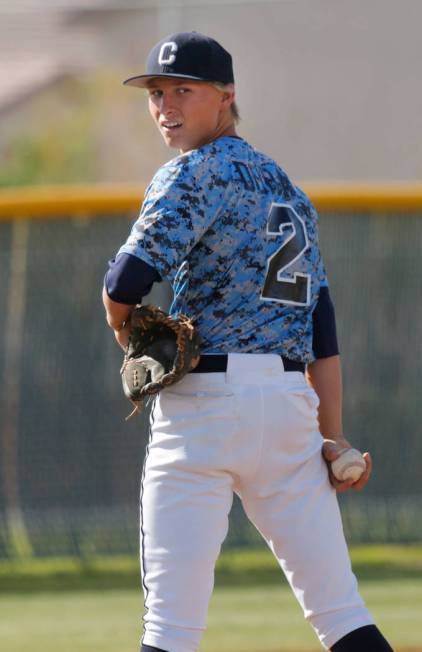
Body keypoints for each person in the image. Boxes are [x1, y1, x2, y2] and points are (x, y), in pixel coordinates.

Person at [102, 31, 393, 652]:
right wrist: (331, 435)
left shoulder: (193, 172)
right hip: (288, 412)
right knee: (342, 614)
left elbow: (124, 280)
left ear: (226, 95)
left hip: (202, 414)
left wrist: (124, 327)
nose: (165, 105)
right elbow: (322, 327)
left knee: (170, 630)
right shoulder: (288, 189)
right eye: (156, 91)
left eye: (184, 89)